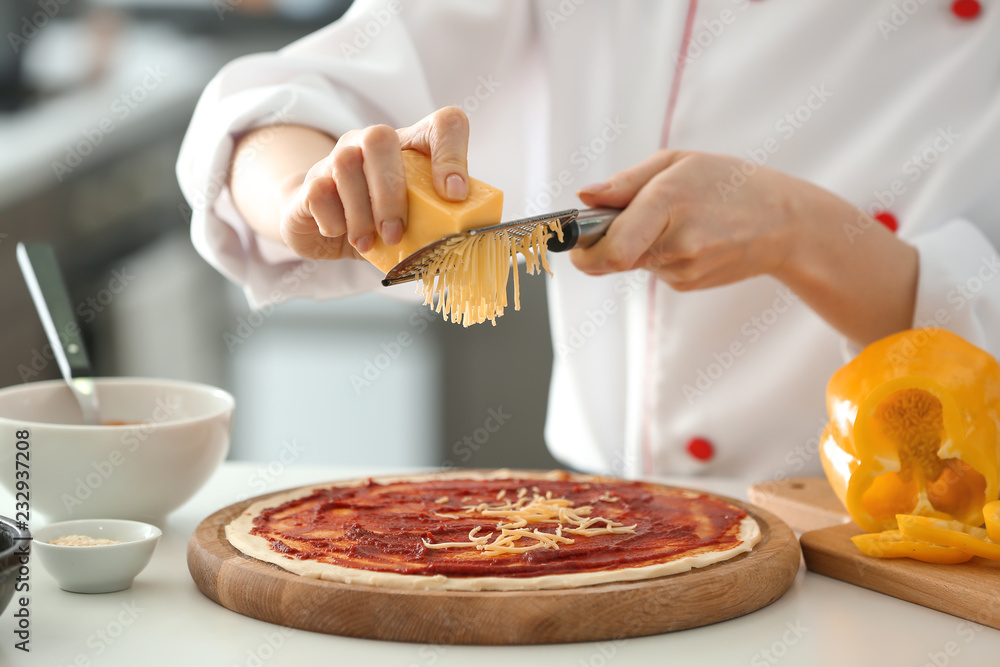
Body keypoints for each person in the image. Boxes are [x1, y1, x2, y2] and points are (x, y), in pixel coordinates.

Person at [177, 0, 1000, 482]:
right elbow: (300, 94)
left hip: (926, 530)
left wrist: (801, 233)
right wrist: (304, 192)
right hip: (626, 515)